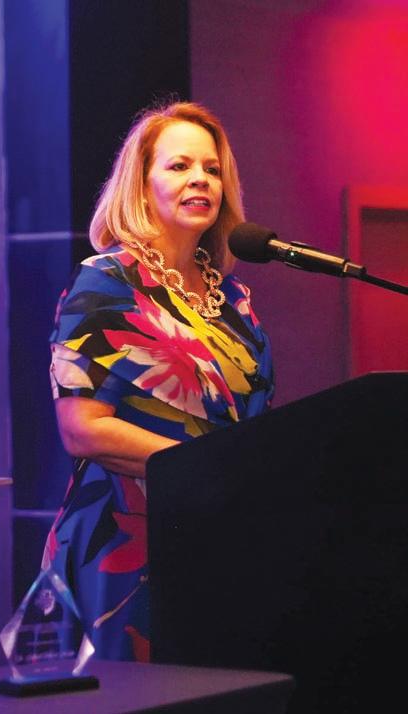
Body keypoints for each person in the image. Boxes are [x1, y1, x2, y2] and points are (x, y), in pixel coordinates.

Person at [41, 101, 274, 662]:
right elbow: (82, 429)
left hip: (219, 536)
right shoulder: (106, 281)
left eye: (212, 169)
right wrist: (204, 468)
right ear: (141, 187)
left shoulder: (234, 300)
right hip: (126, 543)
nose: (201, 179)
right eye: (179, 166)